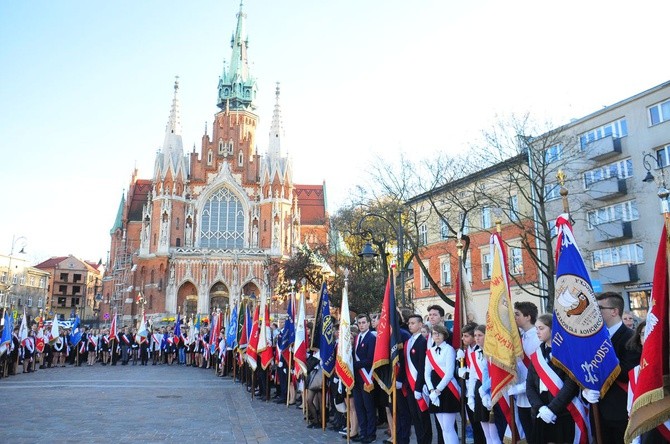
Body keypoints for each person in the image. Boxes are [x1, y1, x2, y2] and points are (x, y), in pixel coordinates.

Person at [583, 292, 641, 444]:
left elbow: (628, 373)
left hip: (619, 410)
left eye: (600, 308)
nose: (595, 312)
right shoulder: (594, 339)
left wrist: (607, 359)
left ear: (614, 311)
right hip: (597, 408)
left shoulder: (631, 337)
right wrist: (586, 389)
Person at [526, 314, 581, 444]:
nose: (537, 332)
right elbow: (530, 385)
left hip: (563, 411)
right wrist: (540, 408)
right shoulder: (537, 354)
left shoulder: (567, 352)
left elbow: (571, 384)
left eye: (541, 328)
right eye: (536, 329)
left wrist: (552, 409)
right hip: (541, 411)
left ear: (552, 329)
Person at [425, 324, 459, 444]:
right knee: (443, 428)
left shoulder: (449, 349)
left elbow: (449, 373)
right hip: (434, 390)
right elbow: (426, 373)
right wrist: (431, 390)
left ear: (444, 335)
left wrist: (438, 390)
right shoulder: (430, 351)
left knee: (449, 427)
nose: (436, 336)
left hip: (447, 389)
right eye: (434, 333)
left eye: (439, 333)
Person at [512, 301, 542, 443]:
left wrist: (520, 388)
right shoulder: (520, 337)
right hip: (521, 397)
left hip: (535, 395)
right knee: (529, 437)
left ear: (528, 317)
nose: (514, 317)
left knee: (537, 436)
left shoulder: (537, 338)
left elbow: (539, 372)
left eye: (517, 314)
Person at [467, 325, 501, 444]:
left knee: (494, 431)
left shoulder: (494, 352)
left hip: (492, 389)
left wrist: (484, 389)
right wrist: (470, 396)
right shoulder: (474, 353)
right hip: (479, 389)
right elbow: (472, 376)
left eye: (480, 335)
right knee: (486, 431)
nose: (477, 338)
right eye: (475, 335)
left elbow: (496, 374)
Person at [403, 314, 432, 444]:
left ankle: (426, 441)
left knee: (423, 416)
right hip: (409, 385)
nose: (410, 325)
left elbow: (422, 367)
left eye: (413, 323)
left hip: (419, 385)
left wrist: (419, 386)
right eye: (409, 323)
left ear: (420, 325)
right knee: (414, 416)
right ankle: (420, 440)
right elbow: (405, 364)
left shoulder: (422, 342)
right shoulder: (408, 342)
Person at [457, 322, 485, 444]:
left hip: (478, 390)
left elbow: (478, 372)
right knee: (474, 426)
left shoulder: (479, 350)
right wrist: (460, 363)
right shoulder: (466, 350)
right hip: (468, 391)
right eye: (463, 336)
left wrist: (465, 373)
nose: (463, 338)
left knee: (481, 426)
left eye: (466, 336)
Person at [353, 314, 377, 444]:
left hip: (367, 376)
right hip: (356, 377)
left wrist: (354, 365)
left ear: (368, 323)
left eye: (363, 322)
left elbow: (370, 359)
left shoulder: (371, 338)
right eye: (359, 323)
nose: (361, 325)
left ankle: (371, 433)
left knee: (369, 407)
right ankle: (363, 432)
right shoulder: (357, 338)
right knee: (359, 406)